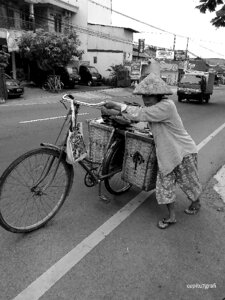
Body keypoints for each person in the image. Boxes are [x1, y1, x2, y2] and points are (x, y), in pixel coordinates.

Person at [101, 73, 202, 229]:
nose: (146, 99)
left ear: (158, 95)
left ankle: (196, 202)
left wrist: (117, 105)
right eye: (144, 96)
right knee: (164, 187)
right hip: (166, 155)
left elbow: (143, 114)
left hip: (183, 152)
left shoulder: (167, 106)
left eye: (150, 96)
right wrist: (125, 120)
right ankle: (171, 217)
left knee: (189, 183)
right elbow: (144, 121)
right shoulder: (153, 109)